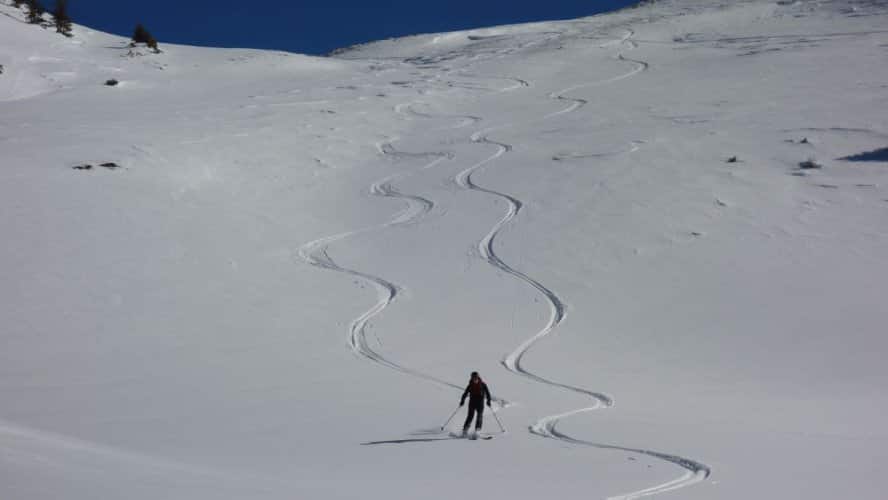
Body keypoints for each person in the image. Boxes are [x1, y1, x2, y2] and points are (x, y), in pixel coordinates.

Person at [460, 371, 492, 435]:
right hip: (472, 402)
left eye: (476, 378)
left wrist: (488, 401)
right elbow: (465, 393)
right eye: (473, 378)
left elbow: (488, 393)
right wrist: (462, 400)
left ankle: (477, 429)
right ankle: (465, 429)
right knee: (470, 416)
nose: (475, 379)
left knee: (479, 415)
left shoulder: (483, 384)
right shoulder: (470, 385)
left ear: (478, 377)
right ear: (471, 378)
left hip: (480, 402)